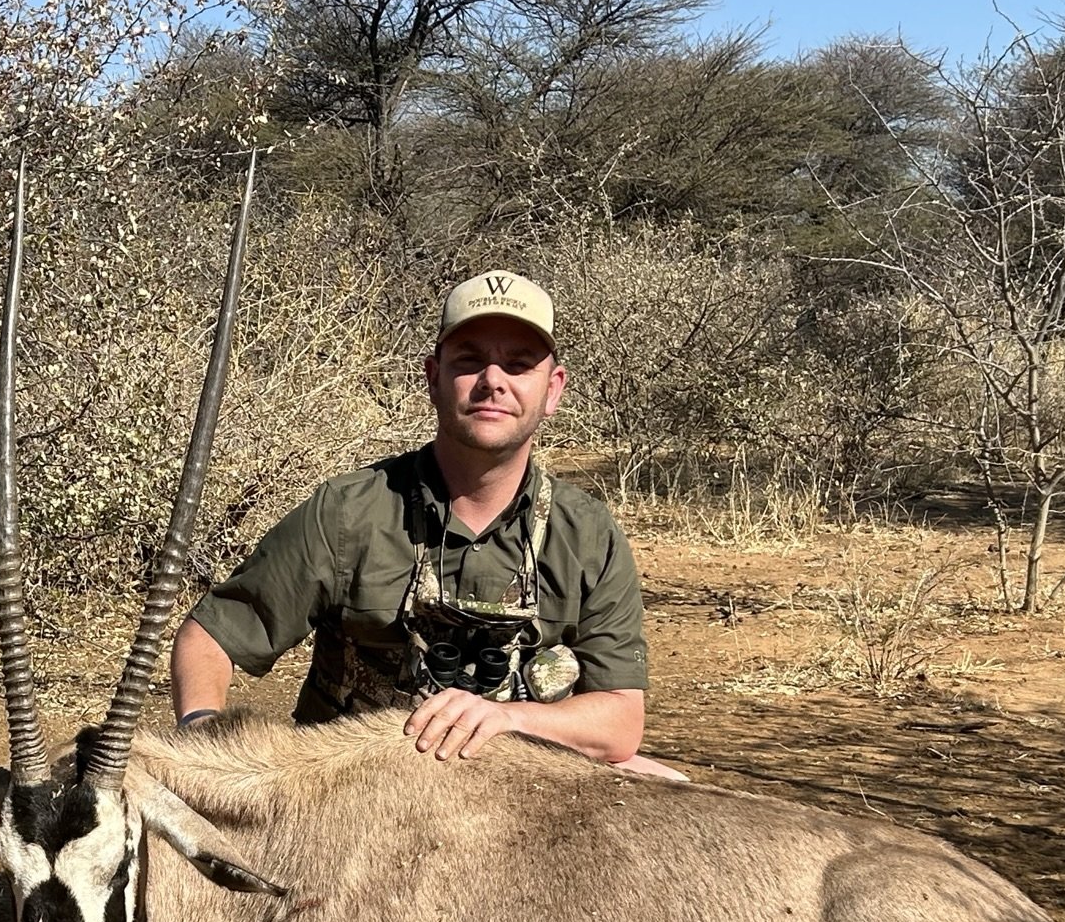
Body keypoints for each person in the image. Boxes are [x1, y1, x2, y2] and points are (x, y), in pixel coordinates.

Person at [170, 270, 682, 777]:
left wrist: (505, 718)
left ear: (552, 391)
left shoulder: (588, 533)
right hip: (349, 797)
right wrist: (201, 738)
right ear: (433, 378)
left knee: (666, 784)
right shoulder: (348, 510)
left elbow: (618, 722)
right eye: (469, 361)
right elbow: (209, 638)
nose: (493, 382)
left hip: (519, 797)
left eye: (518, 365)